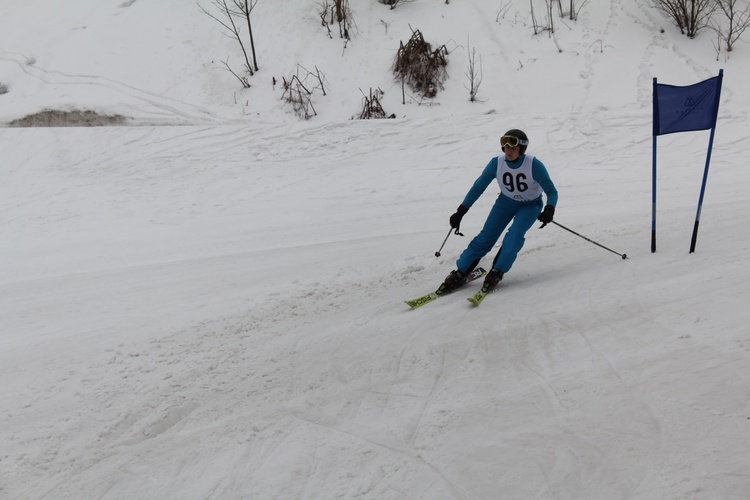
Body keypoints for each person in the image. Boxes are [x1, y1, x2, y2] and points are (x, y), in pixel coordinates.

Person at [442, 129, 558, 292]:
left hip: (530, 205)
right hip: (505, 202)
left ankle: (498, 270)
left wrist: (549, 209)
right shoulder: (497, 163)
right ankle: (461, 271)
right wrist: (461, 211)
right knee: (486, 236)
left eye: (513, 148)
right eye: (506, 147)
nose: (508, 151)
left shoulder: (534, 165)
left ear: (521, 149)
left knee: (514, 234)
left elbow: (552, 192)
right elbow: (478, 187)